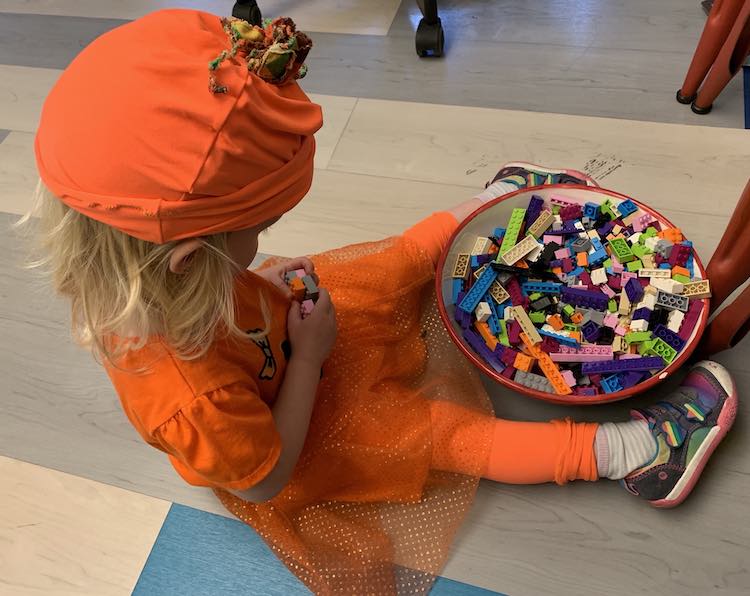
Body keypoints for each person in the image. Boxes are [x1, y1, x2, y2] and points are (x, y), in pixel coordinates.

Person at [24, 9, 738, 595]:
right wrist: (307, 360)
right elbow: (268, 475)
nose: (264, 237)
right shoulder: (192, 404)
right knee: (444, 434)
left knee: (390, 262)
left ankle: (492, 202)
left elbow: (231, 287)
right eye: (256, 231)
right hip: (303, 434)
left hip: (282, 339)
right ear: (186, 262)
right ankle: (632, 454)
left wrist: (264, 284)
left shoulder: (163, 273)